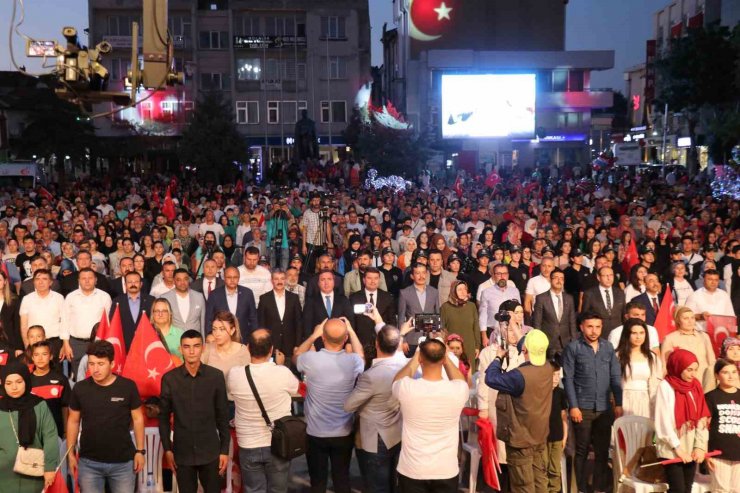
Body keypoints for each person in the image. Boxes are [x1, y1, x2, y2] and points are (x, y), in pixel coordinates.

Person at [293, 318, 364, 493]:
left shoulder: (310, 359)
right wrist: (352, 332)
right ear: (345, 337)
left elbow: (295, 357)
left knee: (317, 483)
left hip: (315, 433)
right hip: (343, 433)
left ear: (323, 337)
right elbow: (361, 355)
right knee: (342, 480)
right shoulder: (353, 361)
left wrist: (313, 335)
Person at [67, 340, 145, 492]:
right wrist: (70, 453)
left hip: (123, 463)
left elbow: (138, 419)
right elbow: (73, 421)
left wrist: (140, 451)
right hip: (89, 463)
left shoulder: (127, 386)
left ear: (112, 364)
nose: (95, 369)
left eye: (100, 364)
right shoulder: (80, 388)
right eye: (91, 364)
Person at [228, 329, 300, 493]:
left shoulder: (235, 374)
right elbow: (295, 387)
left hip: (248, 444)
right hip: (277, 443)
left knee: (254, 490)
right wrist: (279, 365)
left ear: (248, 348)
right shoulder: (282, 373)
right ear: (271, 349)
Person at [392, 338, 468, 493]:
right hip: (445, 469)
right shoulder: (458, 390)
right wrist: (446, 360)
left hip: (413, 469)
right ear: (443, 359)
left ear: (420, 359)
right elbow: (461, 380)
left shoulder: (407, 387)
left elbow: (396, 381)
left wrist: (415, 359)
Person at [159, 329, 230, 493]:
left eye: (196, 346)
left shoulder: (215, 377)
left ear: (203, 348)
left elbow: (223, 416)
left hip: (211, 453)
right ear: (180, 349)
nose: (191, 351)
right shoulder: (169, 379)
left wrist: (224, 450)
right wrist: (168, 449)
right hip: (182, 454)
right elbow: (163, 417)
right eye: (187, 346)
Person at [485, 329, 554, 492]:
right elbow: (527, 345)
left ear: (525, 350)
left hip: (521, 440)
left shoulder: (519, 376)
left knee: (523, 486)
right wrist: (515, 327)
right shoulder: (548, 368)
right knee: (540, 481)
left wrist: (498, 357)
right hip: (539, 436)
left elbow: (491, 378)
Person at [563, 312, 623, 493]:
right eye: (590, 326)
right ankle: (581, 488)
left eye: (597, 326)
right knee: (581, 450)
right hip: (583, 407)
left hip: (605, 408)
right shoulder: (573, 348)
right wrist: (573, 406)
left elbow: (615, 376)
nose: (594, 331)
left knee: (602, 452)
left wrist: (618, 403)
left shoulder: (608, 347)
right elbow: (568, 378)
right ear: (581, 327)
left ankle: (598, 488)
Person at [344, 325, 406, 493]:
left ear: (377, 344)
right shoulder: (406, 367)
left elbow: (348, 405)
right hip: (398, 434)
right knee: (394, 485)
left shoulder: (371, 376)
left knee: (377, 487)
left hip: (376, 437)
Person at [655, 349, 710, 493]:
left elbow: (701, 418)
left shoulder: (695, 385)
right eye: (689, 370)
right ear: (678, 367)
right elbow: (663, 422)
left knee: (687, 488)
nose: (693, 374)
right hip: (671, 448)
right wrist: (678, 448)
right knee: (678, 489)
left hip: (690, 446)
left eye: (696, 370)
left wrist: (700, 446)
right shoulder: (665, 387)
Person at [0, 360, 60, 492]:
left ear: (27, 381)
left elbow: (50, 437)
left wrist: (49, 467)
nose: (14, 387)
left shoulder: (39, 405)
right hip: (3, 475)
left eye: (19, 382)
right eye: (8, 383)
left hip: (33, 473)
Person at [61, 267, 113, 379]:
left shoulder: (104, 297)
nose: (87, 281)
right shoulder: (71, 297)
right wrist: (66, 344)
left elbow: (109, 322)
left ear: (96, 280)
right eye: (83, 278)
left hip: (98, 342)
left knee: (98, 375)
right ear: (79, 280)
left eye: (90, 278)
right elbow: (65, 320)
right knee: (79, 377)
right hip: (76, 343)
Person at [704, 358, 740, 493]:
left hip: (738, 452)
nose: (731, 376)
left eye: (734, 372)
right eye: (725, 372)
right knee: (721, 489)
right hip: (718, 452)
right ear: (717, 375)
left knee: (737, 489)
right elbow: (703, 427)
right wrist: (706, 453)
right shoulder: (710, 397)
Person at [614, 318, 661, 418]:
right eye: (634, 333)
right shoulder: (618, 356)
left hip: (646, 402)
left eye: (642, 333)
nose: (638, 337)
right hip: (624, 400)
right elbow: (613, 382)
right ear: (627, 334)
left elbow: (657, 383)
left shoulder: (652, 357)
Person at [662, 306, 717, 391]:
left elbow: (712, 361)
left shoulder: (703, 336)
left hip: (705, 382)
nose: (690, 321)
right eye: (685, 318)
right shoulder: (670, 339)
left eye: (692, 318)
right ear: (678, 321)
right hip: (682, 385)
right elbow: (665, 366)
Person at [350, 266, 396, 360]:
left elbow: (392, 322)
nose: (373, 281)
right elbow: (352, 322)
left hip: (382, 343)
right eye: (369, 278)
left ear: (379, 280)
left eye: (376, 278)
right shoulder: (354, 298)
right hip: (361, 343)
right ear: (364, 280)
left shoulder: (388, 297)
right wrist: (351, 343)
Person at [258, 269, 303, 362]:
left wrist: (298, 345)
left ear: (285, 280)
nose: (279, 282)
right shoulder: (264, 299)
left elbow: (298, 323)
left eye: (282, 279)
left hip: (290, 346)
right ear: (272, 281)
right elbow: (261, 324)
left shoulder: (294, 298)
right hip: (271, 346)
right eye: (276, 279)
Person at [29, 341, 71, 438]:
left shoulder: (61, 379)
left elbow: (65, 407)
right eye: (36, 355)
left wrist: (65, 430)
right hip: (34, 434)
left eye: (44, 354)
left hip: (56, 432)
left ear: (51, 356)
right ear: (32, 358)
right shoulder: (27, 381)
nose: (40, 358)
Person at [532, 267, 577, 357]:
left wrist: (574, 341)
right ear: (550, 280)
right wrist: (539, 342)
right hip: (548, 342)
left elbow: (572, 322)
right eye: (556, 277)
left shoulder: (569, 298)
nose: (559, 280)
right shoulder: (541, 298)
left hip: (566, 342)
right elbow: (537, 323)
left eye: (561, 278)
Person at [19, 269, 64, 359]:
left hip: (55, 342)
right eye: (37, 279)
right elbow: (24, 325)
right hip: (34, 343)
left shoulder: (59, 298)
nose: (41, 282)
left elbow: (64, 322)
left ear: (50, 282)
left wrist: (64, 345)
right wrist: (27, 346)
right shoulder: (27, 299)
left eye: (44, 279)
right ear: (33, 282)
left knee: (56, 371)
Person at [205, 265, 258, 341]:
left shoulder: (247, 293)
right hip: (220, 340)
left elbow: (253, 318)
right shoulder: (214, 294)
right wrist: (210, 335)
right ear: (224, 278)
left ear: (239, 278)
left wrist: (254, 339)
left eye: (235, 277)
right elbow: (209, 319)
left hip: (243, 339)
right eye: (229, 277)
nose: (232, 280)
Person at [110, 271, 155, 351]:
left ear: (141, 284)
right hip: (124, 347)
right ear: (125, 285)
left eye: (136, 282)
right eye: (130, 282)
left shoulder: (151, 300)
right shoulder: (117, 301)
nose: (133, 284)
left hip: (146, 345)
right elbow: (113, 323)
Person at [440, 280, 480, 368]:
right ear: (453, 291)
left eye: (465, 289)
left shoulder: (471, 306)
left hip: (469, 345)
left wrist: (477, 346)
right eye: (459, 289)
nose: (463, 292)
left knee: (469, 373)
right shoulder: (445, 307)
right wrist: (445, 346)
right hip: (452, 347)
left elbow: (476, 327)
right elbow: (442, 329)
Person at [478, 263, 521, 346]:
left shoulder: (515, 291)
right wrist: (484, 336)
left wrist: (520, 333)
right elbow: (482, 316)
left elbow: (519, 313)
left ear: (508, 275)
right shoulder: (486, 292)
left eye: (505, 273)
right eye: (499, 274)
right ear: (494, 276)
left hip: (512, 332)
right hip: (493, 332)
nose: (502, 276)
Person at [303, 270, 354, 338]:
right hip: (318, 343)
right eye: (323, 280)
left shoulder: (343, 300)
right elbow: (307, 324)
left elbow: (351, 321)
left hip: (340, 342)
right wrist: (310, 343)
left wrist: (349, 343)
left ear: (334, 282)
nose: (326, 283)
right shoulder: (311, 301)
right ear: (318, 283)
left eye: (329, 279)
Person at [161, 268, 206, 336]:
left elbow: (203, 323)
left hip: (195, 340)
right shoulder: (165, 298)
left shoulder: (199, 297)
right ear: (174, 281)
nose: (182, 282)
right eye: (179, 280)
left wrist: (203, 341)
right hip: (173, 340)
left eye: (185, 279)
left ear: (189, 280)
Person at [545, 357, 568, 493]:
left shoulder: (560, 393)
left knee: (555, 469)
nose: (555, 378)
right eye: (553, 375)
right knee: (543, 467)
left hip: (557, 437)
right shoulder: (542, 393)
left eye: (558, 375)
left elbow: (563, 416)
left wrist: (565, 437)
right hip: (543, 438)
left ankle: (555, 490)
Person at [581, 266, 626, 333]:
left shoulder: (620, 292)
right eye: (605, 275)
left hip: (618, 332)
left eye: (611, 275)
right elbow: (585, 316)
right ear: (598, 277)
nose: (609, 278)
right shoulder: (590, 294)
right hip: (598, 333)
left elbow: (623, 314)